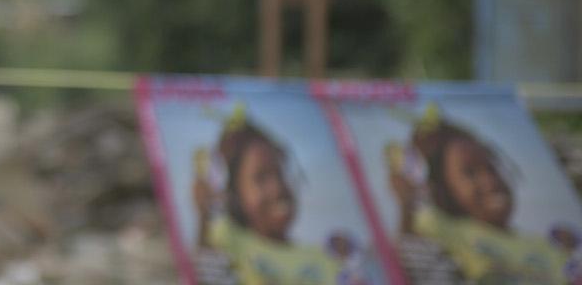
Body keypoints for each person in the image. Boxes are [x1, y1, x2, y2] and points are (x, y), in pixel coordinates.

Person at [388, 106, 579, 284]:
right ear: (442, 188)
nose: (489, 181)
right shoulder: (446, 232)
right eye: (470, 173)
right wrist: (407, 207)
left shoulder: (546, 246)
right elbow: (417, 259)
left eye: (492, 167)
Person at [193, 108, 359, 285]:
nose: (278, 188)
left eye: (280, 173)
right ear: (234, 193)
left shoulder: (324, 258)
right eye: (261, 177)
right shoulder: (228, 238)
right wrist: (203, 214)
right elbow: (207, 269)